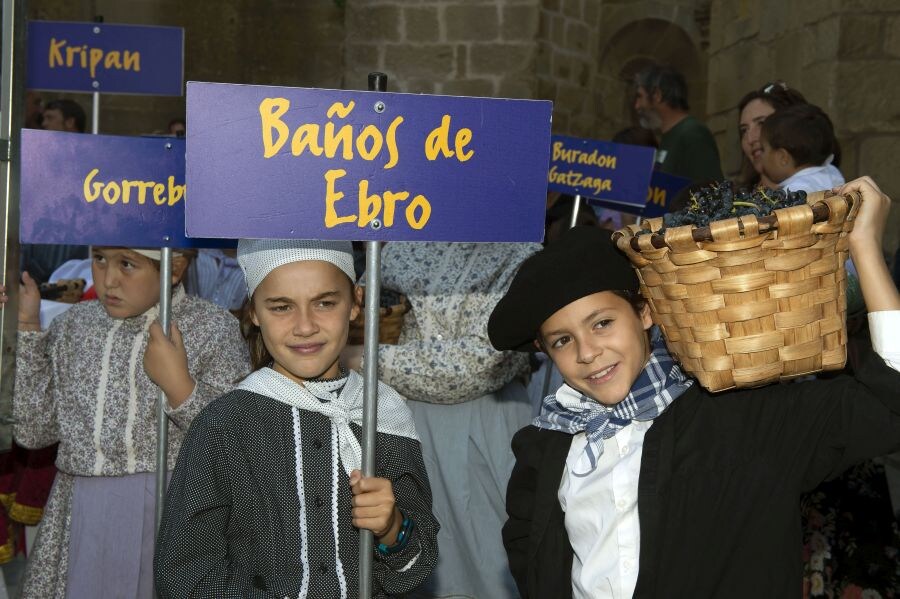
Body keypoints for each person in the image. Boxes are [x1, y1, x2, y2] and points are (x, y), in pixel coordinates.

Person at [488, 176, 900, 598]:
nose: (587, 351)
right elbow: (530, 552)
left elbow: (891, 398)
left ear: (645, 312)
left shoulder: (745, 418)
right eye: (562, 340)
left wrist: (864, 245)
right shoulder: (544, 446)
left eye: (602, 323)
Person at [155, 239, 438, 597]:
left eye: (325, 303)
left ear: (355, 303)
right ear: (254, 312)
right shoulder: (224, 425)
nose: (305, 326)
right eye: (281, 307)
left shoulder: (384, 415)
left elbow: (418, 564)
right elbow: (183, 574)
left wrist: (392, 529)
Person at [4, 246, 250, 599]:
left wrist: (180, 386)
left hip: (169, 511)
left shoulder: (210, 328)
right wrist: (26, 325)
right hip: (80, 514)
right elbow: (34, 430)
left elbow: (232, 443)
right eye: (100, 259)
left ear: (175, 268)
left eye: (127, 264)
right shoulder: (73, 325)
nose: (108, 279)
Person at [351, 241, 538, 599]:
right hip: (401, 425)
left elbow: (486, 360)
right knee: (406, 561)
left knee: (491, 569)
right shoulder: (396, 249)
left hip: (486, 430)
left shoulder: (520, 254)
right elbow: (359, 312)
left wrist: (368, 359)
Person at [633, 65, 723, 184]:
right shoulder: (669, 137)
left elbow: (713, 193)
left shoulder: (693, 134)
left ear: (657, 95)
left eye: (640, 97)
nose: (637, 106)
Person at [759, 103, 844, 193]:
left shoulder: (795, 192)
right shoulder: (831, 172)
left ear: (783, 157)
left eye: (763, 149)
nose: (761, 156)